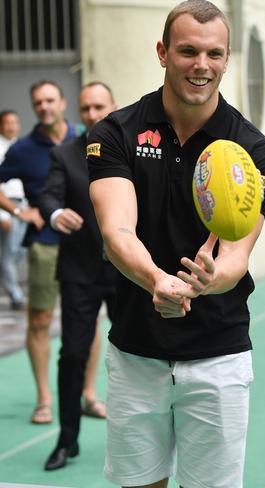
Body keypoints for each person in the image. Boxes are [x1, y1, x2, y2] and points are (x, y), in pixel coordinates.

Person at [86, 2, 265, 487]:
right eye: (188, 51)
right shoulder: (116, 133)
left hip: (218, 356)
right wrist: (158, 281)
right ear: (163, 53)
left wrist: (207, 284)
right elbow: (117, 231)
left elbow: (236, 257)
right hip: (136, 354)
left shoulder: (252, 149)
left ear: (227, 59)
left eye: (214, 54)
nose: (201, 65)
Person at [39, 81, 118, 470]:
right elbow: (49, 195)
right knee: (72, 353)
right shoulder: (64, 154)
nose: (92, 114)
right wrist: (55, 214)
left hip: (126, 272)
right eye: (86, 108)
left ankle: (141, 436)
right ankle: (66, 440)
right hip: (80, 272)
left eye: (99, 106)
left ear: (113, 107)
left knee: (138, 353)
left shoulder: (135, 151)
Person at [0, 81, 76, 425]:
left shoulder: (86, 137)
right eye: (38, 102)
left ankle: (88, 395)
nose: (44, 106)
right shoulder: (23, 149)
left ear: (62, 101)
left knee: (86, 323)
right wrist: (20, 212)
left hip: (86, 245)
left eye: (50, 100)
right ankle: (44, 399)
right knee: (40, 321)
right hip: (45, 245)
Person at [0, 110, 27, 310]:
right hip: (6, 204)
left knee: (21, 249)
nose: (11, 126)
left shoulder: (22, 147)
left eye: (15, 122)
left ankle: (5, 273)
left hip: (24, 204)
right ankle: (16, 295)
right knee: (9, 253)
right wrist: (2, 215)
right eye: (7, 122)